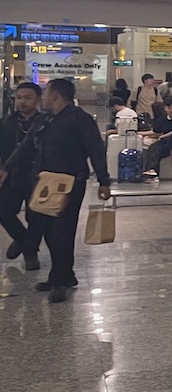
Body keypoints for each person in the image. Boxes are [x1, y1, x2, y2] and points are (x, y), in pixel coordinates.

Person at [0, 78, 112, 302]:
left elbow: (96, 150)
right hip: (45, 182)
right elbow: (25, 146)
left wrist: (104, 181)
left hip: (70, 182)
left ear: (56, 96)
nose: (43, 98)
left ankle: (60, 280)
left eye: (46, 93)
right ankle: (63, 274)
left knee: (62, 230)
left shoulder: (80, 119)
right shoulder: (47, 120)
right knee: (46, 229)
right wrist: (6, 168)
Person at [0, 81, 43, 269]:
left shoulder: (44, 122)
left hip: (37, 177)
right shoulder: (7, 122)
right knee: (4, 212)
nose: (22, 102)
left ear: (38, 100)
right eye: (19, 98)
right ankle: (23, 240)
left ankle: (30, 254)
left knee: (35, 217)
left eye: (28, 98)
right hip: (10, 175)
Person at [141, 100, 172, 179]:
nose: (171, 110)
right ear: (165, 108)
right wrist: (140, 133)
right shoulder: (163, 119)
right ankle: (151, 170)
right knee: (153, 147)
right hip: (164, 141)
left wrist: (163, 136)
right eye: (169, 108)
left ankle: (152, 170)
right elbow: (155, 131)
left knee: (158, 150)